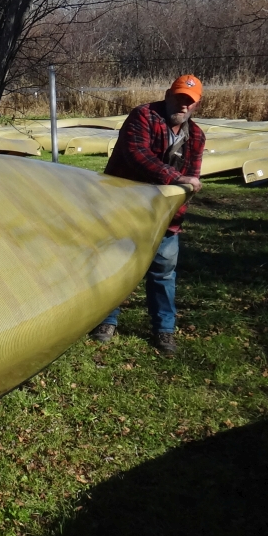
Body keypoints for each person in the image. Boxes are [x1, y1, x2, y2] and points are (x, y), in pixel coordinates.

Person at [90, 74, 205, 356]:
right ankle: (106, 321)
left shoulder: (197, 136)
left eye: (189, 102)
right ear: (168, 95)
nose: (182, 105)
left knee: (163, 274)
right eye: (178, 97)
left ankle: (163, 330)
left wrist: (174, 219)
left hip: (164, 215)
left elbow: (190, 182)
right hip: (124, 206)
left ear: (196, 106)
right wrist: (176, 178)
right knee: (116, 265)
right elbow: (136, 154)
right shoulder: (143, 116)